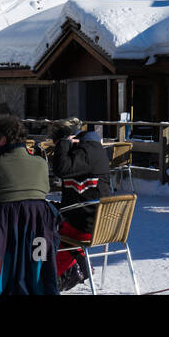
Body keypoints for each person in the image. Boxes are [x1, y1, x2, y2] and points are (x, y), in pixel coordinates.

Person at [0, 114, 57, 295]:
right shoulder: (40, 163)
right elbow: (41, 192)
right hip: (39, 231)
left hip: (2, 231)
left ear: (3, 140)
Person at [50, 118, 111, 290]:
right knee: (52, 214)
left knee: (46, 225)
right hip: (97, 220)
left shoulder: (88, 151)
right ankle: (71, 267)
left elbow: (61, 169)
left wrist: (63, 144)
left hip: (88, 225)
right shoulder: (90, 149)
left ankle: (61, 273)